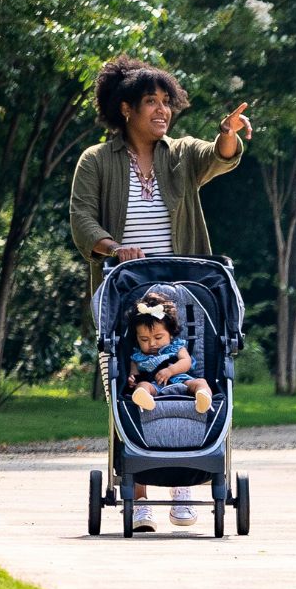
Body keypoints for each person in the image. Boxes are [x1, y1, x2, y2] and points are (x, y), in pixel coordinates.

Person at [70, 55, 252, 531]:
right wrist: (113, 248)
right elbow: (82, 219)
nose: (163, 111)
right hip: (124, 292)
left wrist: (228, 134)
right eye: (151, 102)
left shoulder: (181, 153)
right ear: (126, 108)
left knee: (190, 381)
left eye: (167, 102)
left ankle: (185, 488)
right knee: (130, 386)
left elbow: (218, 156)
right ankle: (140, 493)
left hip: (182, 298)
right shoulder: (96, 160)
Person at [127, 292, 213, 415]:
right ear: (137, 338)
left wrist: (170, 370)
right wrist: (132, 380)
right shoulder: (137, 357)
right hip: (154, 387)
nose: (152, 343)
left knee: (200, 382)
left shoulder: (176, 347)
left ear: (171, 333)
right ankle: (144, 399)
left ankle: (202, 398)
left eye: (158, 337)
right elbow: (134, 375)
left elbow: (186, 362)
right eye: (144, 340)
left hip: (182, 382)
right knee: (142, 385)